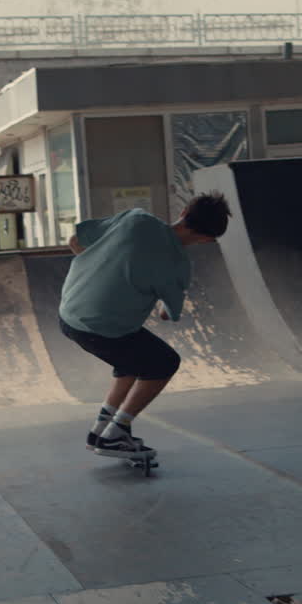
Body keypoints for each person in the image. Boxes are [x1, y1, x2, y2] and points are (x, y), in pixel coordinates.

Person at [58, 192, 232, 462]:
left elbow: (75, 241)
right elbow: (166, 314)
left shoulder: (136, 220)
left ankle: (101, 429)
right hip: (101, 330)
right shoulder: (178, 266)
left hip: (68, 314)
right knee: (164, 362)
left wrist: (103, 271)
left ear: (184, 212)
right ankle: (116, 433)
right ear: (207, 239)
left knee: (133, 357)